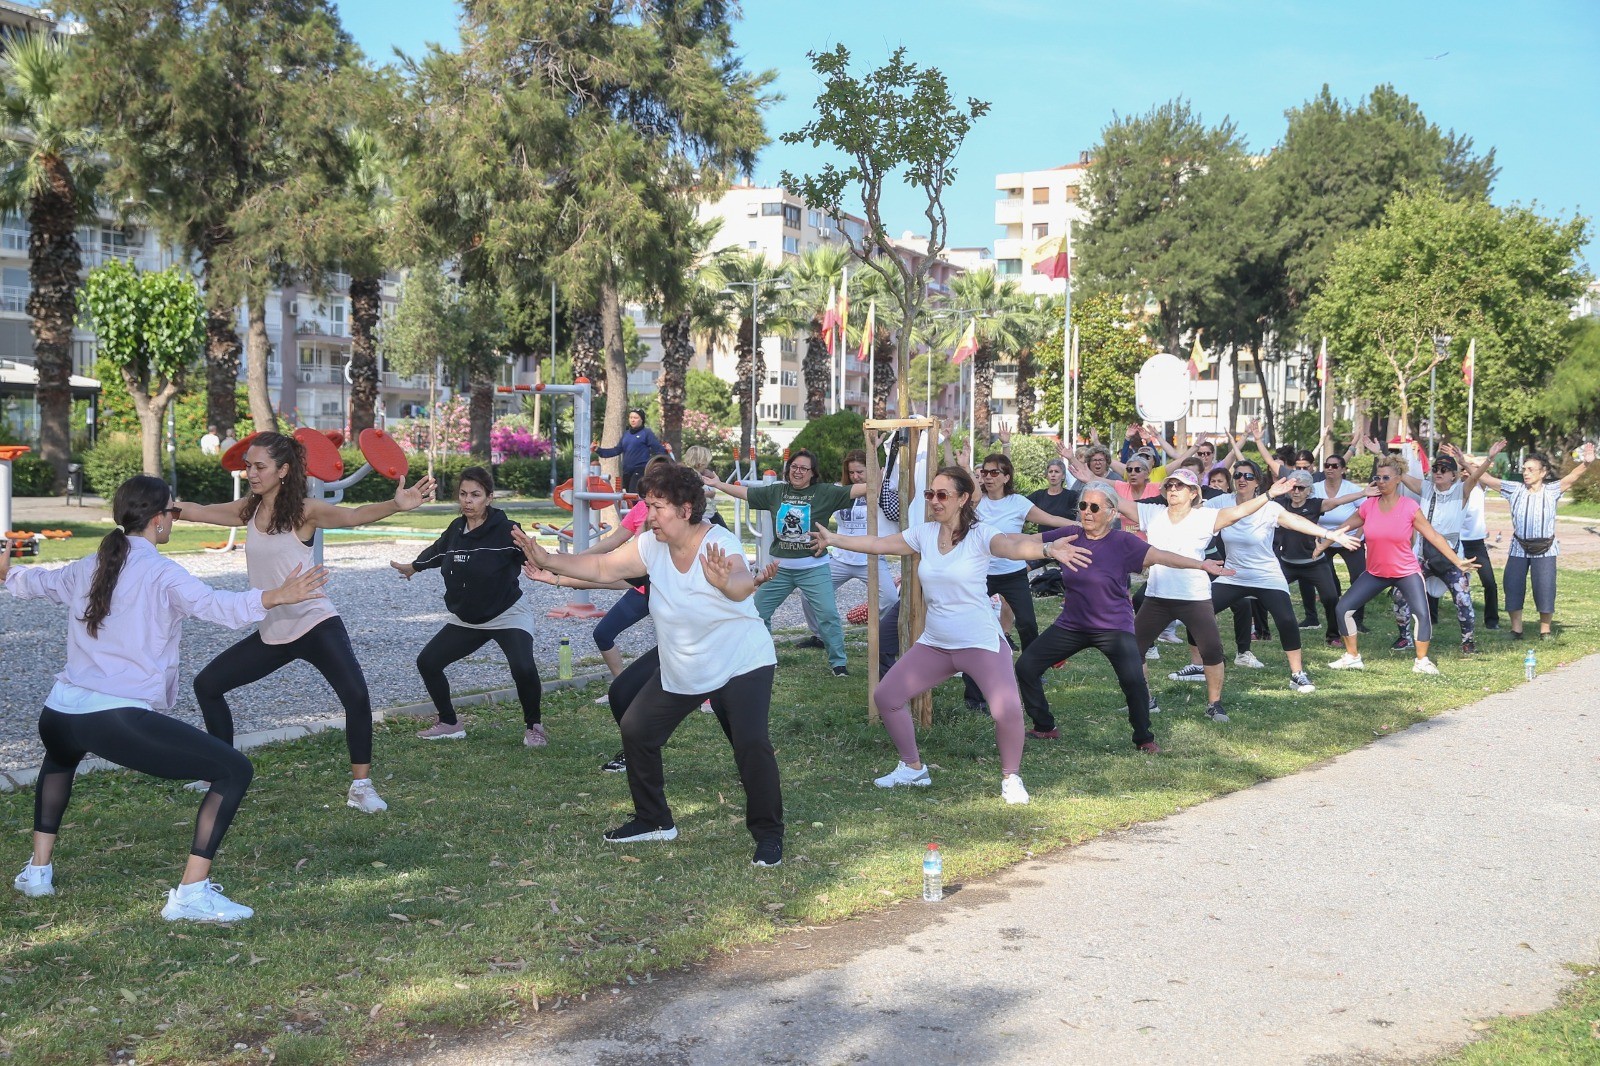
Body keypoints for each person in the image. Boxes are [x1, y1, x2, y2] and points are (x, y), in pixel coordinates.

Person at [1, 475, 328, 921]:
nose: (174, 518)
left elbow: (36, 581)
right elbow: (220, 607)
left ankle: (38, 872)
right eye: (172, 511)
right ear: (158, 521)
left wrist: (8, 573)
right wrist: (276, 596)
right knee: (233, 769)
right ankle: (191, 896)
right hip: (111, 718)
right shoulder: (161, 572)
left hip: (59, 713)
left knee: (59, 762)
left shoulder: (90, 563)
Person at [513, 463, 785, 866]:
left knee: (750, 744)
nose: (649, 515)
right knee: (637, 728)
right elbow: (604, 568)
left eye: (657, 507)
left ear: (687, 509)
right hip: (684, 663)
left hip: (740, 661)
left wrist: (727, 583)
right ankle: (654, 820)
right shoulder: (650, 546)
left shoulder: (719, 543)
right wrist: (548, 559)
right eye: (647, 505)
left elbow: (742, 582)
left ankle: (768, 835)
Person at [174, 431, 437, 813]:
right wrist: (161, 506)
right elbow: (198, 509)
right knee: (207, 685)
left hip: (315, 623)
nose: (251, 472)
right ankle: (220, 770)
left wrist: (395, 505)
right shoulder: (248, 509)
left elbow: (353, 516)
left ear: (282, 470)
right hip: (273, 630)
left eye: (259, 466)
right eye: (248, 466)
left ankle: (361, 787)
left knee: (357, 697)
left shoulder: (304, 510)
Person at [809, 465, 1088, 804]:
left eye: (943, 495)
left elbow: (1012, 547)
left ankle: (1011, 778)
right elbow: (880, 542)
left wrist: (1046, 550)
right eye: (930, 494)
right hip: (936, 644)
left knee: (1007, 711)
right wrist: (835, 538)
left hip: (979, 642)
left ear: (963, 498)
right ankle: (912, 768)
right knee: (887, 697)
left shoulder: (981, 534)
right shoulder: (924, 533)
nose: (934, 501)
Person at [1013, 480, 1234, 750]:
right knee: (1025, 667)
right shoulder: (1071, 534)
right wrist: (993, 538)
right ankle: (1044, 726)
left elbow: (1162, 556)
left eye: (1095, 507)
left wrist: (1200, 564)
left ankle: (1144, 738)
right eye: (1083, 506)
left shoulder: (1123, 542)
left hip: (1113, 628)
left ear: (1112, 513)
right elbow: (1031, 541)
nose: (1087, 512)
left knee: (1133, 681)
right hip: (1071, 625)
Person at [1091, 465, 1294, 724]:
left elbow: (1238, 512)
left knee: (1211, 651)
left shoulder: (1205, 517)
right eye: (1170, 485)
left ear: (1193, 493)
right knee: (1134, 649)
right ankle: (1145, 700)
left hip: (1194, 597)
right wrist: (1091, 479)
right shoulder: (1152, 513)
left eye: (1180, 486)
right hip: (1157, 596)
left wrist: (1268, 495)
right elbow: (1116, 500)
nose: (1173, 489)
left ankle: (1214, 705)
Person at [1162, 466, 1361, 694]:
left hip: (1266, 575)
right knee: (1197, 611)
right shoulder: (1221, 502)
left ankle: (1297, 674)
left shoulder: (1269, 507)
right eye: (1237, 475)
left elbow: (1294, 520)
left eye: (1248, 476)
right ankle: (1198, 665)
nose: (1242, 479)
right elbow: (1192, 512)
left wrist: (1328, 534)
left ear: (1257, 482)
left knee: (1286, 620)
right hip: (1233, 575)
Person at [391, 466, 547, 745]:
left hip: (507, 614)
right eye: (463, 494)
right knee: (428, 662)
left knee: (523, 668)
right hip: (467, 619)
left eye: (475, 495)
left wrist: (551, 569)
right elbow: (438, 551)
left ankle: (534, 726)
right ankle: (449, 722)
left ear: (489, 498)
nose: (467, 500)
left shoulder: (506, 530)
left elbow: (534, 556)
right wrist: (413, 567)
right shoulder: (455, 529)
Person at [702, 449, 865, 676]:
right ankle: (765, 657)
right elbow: (747, 493)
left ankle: (838, 664)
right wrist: (719, 485)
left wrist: (881, 473)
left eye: (803, 468)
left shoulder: (825, 492)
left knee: (827, 614)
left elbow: (862, 488)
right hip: (779, 569)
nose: (798, 472)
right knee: (757, 611)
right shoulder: (777, 491)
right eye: (794, 467)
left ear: (812, 473)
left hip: (813, 568)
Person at [1324, 457, 1478, 673]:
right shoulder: (1369, 506)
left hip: (1406, 572)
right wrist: (1322, 545)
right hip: (1376, 573)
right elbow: (1344, 526)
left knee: (1421, 614)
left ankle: (1422, 661)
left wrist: (1457, 561)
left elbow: (1433, 536)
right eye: (1378, 477)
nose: (1381, 481)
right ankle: (1352, 656)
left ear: (1398, 479)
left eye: (1386, 477)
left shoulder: (1409, 507)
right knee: (1343, 608)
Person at [1467, 440, 1594, 640]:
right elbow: (1487, 479)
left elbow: (1572, 477)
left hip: (1546, 548)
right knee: (1513, 585)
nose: (1526, 473)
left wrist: (1586, 463)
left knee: (1545, 587)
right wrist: (1469, 461)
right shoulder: (1514, 489)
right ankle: (1516, 630)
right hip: (1519, 546)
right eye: (1524, 469)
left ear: (1543, 472)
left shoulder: (1552, 490)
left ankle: (1545, 631)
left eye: (1531, 469)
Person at [1384, 448, 1491, 655]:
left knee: (1462, 598)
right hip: (1424, 554)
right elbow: (1399, 475)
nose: (1438, 473)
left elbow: (1476, 475)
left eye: (1444, 469)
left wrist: (1489, 458)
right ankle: (1404, 637)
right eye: (1435, 469)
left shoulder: (1462, 490)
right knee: (1399, 594)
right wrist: (1381, 452)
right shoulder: (1426, 488)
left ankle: (1468, 641)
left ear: (1454, 475)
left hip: (1450, 556)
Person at [799, 446, 902, 648]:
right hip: (840, 558)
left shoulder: (881, 491)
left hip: (870, 557)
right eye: (851, 472)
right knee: (808, 594)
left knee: (890, 598)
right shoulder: (839, 491)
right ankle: (821, 636)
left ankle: (882, 637)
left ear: (870, 470)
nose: (855, 476)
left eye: (860, 472)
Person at [596, 409, 668, 494]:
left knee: (633, 494)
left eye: (636, 418)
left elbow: (658, 450)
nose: (633, 420)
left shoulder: (646, 433)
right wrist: (598, 450)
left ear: (642, 420)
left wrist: (666, 450)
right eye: (631, 417)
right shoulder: (626, 434)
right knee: (626, 496)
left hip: (640, 470)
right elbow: (616, 450)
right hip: (626, 471)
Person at [1028, 457, 1079, 524]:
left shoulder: (1072, 496)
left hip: (1066, 534)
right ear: (1047, 475)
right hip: (1043, 534)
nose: (1053, 474)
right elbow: (1021, 506)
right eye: (1050, 472)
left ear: (1063, 476)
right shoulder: (1038, 495)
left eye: (1056, 472)